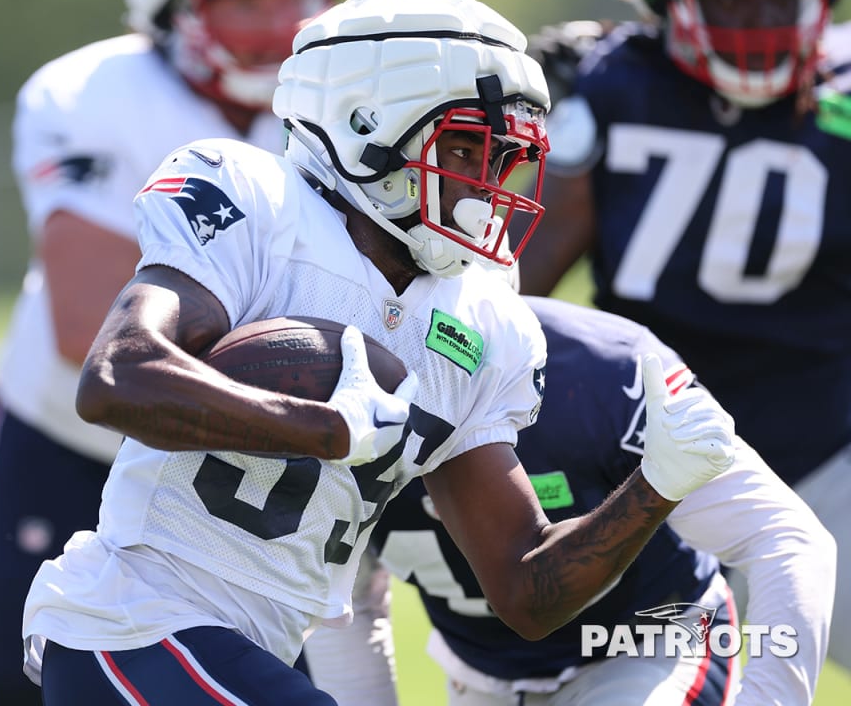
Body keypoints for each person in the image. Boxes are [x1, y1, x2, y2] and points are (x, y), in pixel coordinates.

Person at [20, 0, 740, 703]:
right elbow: (117, 376)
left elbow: (525, 589)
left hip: (244, 651)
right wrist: (323, 426)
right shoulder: (259, 203)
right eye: (463, 147)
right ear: (364, 124)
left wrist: (654, 488)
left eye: (500, 161)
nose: (483, 188)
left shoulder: (483, 319)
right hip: (132, 623)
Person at [0, 0, 334, 704]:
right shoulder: (92, 92)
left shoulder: (347, 107)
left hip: (239, 472)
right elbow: (88, 325)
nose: (285, 27)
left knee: (267, 681)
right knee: (4, 683)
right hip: (69, 438)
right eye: (250, 2)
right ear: (174, 10)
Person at [514, 0, 851, 672]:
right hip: (644, 459)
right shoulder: (613, 81)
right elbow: (521, 279)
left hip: (824, 446)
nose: (756, 21)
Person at [304, 295, 837, 706]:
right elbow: (341, 608)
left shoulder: (606, 370)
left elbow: (787, 539)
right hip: (479, 677)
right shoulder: (327, 392)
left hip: (647, 648)